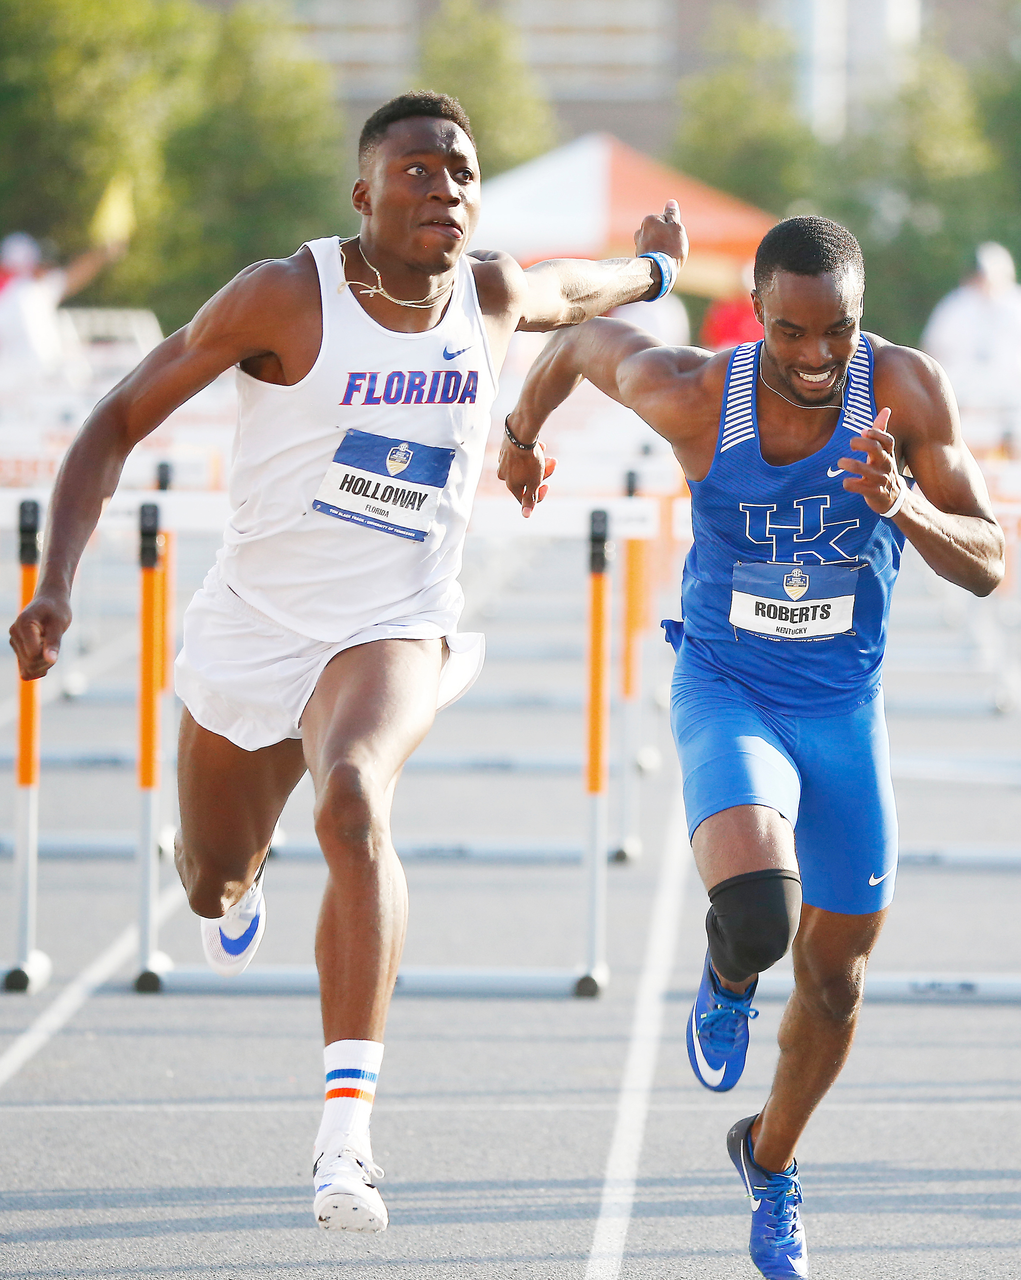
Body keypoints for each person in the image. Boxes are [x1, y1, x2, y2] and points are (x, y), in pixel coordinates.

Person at [9, 91, 686, 1233]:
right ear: (363, 192)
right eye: (416, 171)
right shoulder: (287, 296)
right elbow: (116, 419)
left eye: (462, 173)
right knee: (211, 878)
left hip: (394, 618)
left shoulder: (488, 292)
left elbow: (581, 289)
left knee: (356, 803)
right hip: (254, 622)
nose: (444, 189)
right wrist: (56, 583)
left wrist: (654, 274)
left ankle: (344, 1143)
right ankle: (239, 874)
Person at [499, 216, 1003, 1279]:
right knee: (761, 916)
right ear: (757, 316)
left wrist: (901, 503)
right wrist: (517, 435)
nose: (816, 358)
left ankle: (767, 1163)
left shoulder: (903, 393)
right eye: (790, 333)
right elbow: (580, 347)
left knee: (836, 983)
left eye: (837, 333)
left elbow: (990, 560)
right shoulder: (695, 392)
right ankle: (729, 973)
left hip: (841, 713)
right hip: (728, 686)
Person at [921, 242, 1021, 459]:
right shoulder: (955, 306)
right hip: (965, 406)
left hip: (1010, 407)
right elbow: (932, 352)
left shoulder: (1016, 306)